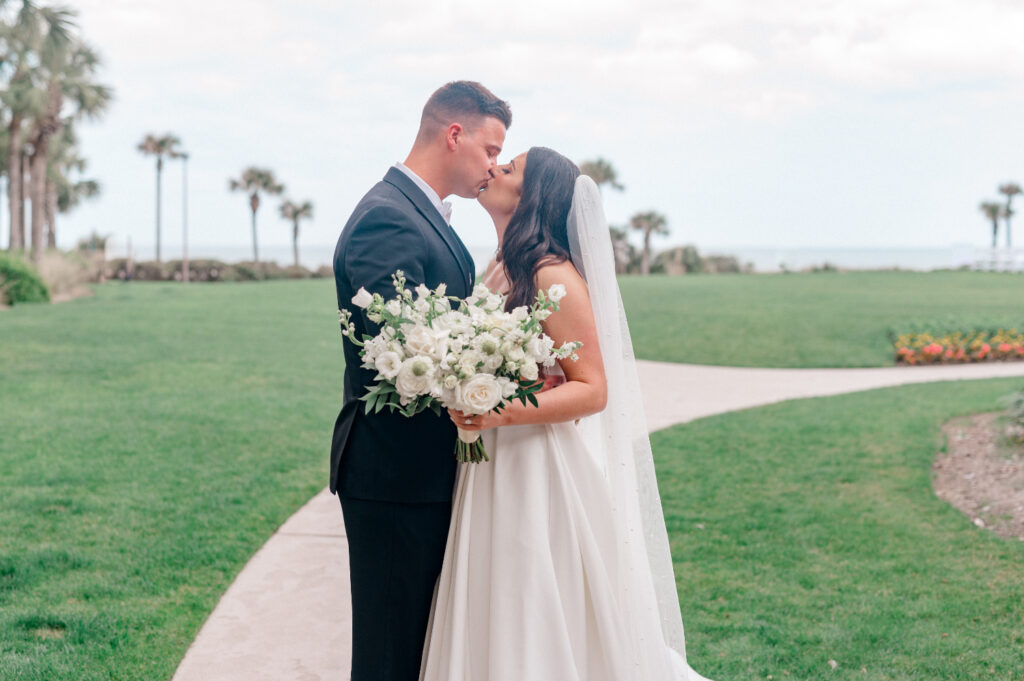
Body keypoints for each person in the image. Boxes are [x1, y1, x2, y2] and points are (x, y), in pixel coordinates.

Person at [420, 147, 712, 680]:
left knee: (527, 599)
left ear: (531, 199)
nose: (493, 170)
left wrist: (497, 411)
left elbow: (594, 390)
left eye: (508, 169)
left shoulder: (552, 275)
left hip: (534, 469)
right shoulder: (503, 266)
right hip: (490, 463)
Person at [330, 81, 511, 681]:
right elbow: (405, 356)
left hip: (421, 474)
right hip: (394, 475)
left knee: (416, 650)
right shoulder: (387, 220)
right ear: (453, 134)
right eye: (490, 149)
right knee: (388, 654)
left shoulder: (418, 215)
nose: (493, 164)